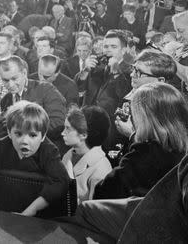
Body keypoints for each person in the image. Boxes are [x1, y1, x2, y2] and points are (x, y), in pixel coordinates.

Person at [74, 82, 188, 240]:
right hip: (174, 224)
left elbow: (105, 191)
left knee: (82, 210)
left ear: (144, 119)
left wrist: (134, 139)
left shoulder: (145, 152)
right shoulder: (182, 150)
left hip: (147, 225)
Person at [0, 101, 69, 216]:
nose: (24, 141)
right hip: (3, 209)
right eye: (18, 134)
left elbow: (61, 181)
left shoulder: (49, 151)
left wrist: (31, 211)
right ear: (9, 132)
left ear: (43, 136)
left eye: (32, 135)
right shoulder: (3, 145)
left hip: (37, 218)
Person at [61, 106, 112, 202]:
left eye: (68, 129)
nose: (62, 133)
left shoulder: (101, 169)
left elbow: (94, 212)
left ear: (84, 135)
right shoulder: (68, 155)